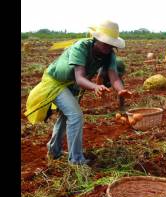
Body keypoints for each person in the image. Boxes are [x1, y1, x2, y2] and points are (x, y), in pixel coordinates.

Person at [24, 20, 132, 165]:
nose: (108, 47)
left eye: (111, 44)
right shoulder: (81, 47)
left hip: (72, 85)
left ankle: (54, 150)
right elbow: (80, 77)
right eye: (105, 43)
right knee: (76, 116)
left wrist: (121, 90)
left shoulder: (109, 55)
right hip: (55, 83)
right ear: (96, 39)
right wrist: (95, 87)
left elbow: (114, 76)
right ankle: (76, 160)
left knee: (65, 117)